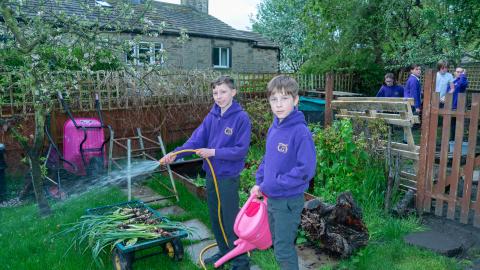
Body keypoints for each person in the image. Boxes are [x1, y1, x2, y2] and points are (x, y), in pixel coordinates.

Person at [160, 75, 251, 270]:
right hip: (211, 174)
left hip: (227, 177)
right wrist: (176, 154)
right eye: (215, 93)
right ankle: (224, 251)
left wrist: (214, 152)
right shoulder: (212, 115)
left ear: (233, 92)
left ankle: (241, 263)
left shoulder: (241, 118)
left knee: (229, 221)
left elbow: (240, 151)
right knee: (214, 216)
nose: (219, 96)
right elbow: (196, 139)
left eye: (223, 92)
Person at [250, 75, 316, 270]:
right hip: (272, 198)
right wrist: (259, 181)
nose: (279, 105)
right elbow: (267, 159)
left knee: (283, 249)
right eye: (274, 99)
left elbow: (306, 170)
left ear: (295, 100)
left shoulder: (300, 132)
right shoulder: (274, 127)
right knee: (277, 242)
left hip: (287, 201)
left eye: (285, 98)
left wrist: (275, 183)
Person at [449, 67, 469, 140]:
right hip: (450, 106)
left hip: (459, 107)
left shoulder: (464, 81)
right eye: (457, 72)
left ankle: (456, 140)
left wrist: (463, 76)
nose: (459, 73)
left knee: (459, 125)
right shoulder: (452, 81)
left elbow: (461, 85)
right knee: (451, 125)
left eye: (461, 72)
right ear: (454, 72)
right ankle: (451, 140)